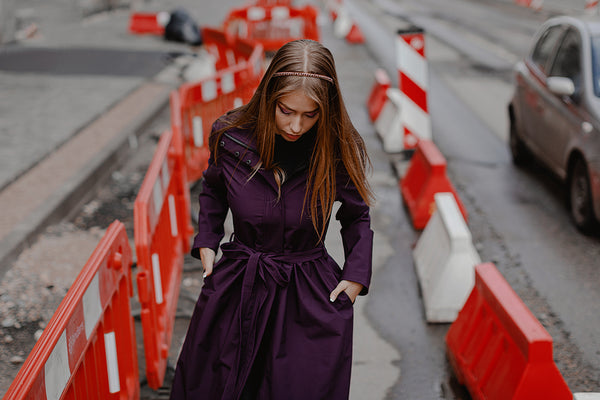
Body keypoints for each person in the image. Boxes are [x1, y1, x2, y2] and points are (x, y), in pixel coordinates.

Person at [170, 39, 374, 400]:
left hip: (307, 296)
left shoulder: (335, 149)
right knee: (215, 383)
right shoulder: (230, 137)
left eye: (310, 115)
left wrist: (355, 275)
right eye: (286, 111)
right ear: (268, 97)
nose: (296, 125)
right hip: (238, 285)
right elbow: (213, 189)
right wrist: (207, 239)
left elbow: (356, 215)